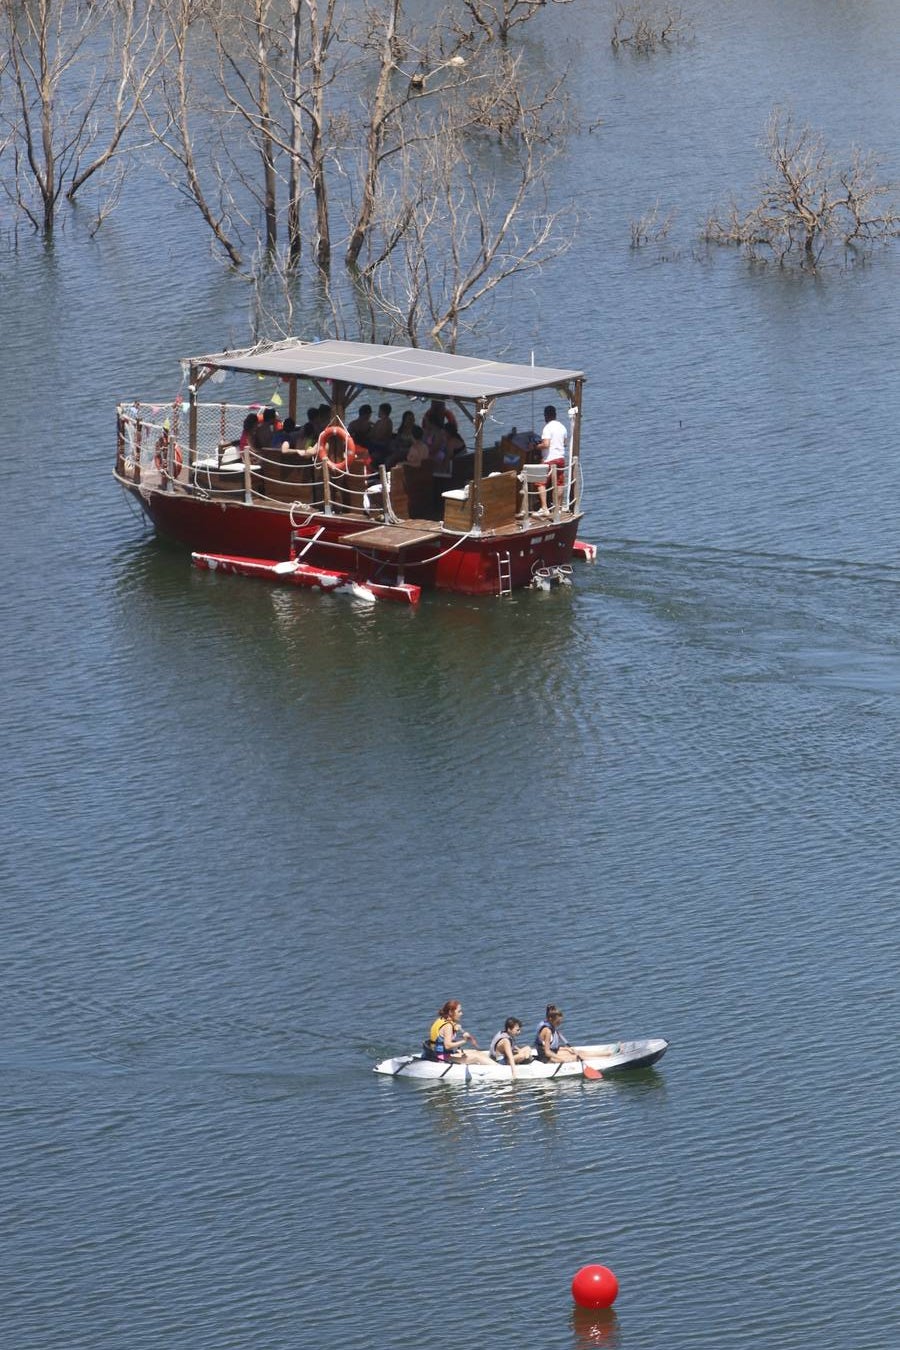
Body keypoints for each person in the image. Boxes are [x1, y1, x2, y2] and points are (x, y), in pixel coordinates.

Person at [424, 1000, 490, 1064]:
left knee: (476, 1052)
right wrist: (464, 1041)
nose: (461, 1013)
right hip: (442, 1057)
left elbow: (443, 1033)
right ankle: (498, 1070)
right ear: (450, 1012)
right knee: (477, 1057)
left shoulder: (441, 1019)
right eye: (459, 1011)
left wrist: (455, 1026)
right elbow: (448, 1046)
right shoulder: (448, 1026)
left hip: (436, 1054)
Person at [534, 404, 568, 517]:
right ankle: (558, 508)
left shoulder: (547, 428)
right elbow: (565, 443)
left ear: (546, 415)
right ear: (555, 414)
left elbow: (546, 444)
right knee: (559, 483)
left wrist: (536, 446)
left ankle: (544, 508)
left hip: (549, 459)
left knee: (540, 481)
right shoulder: (562, 427)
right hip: (560, 458)